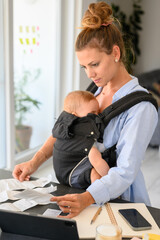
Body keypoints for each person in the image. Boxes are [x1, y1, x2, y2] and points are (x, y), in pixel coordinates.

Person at [13, 1, 158, 219]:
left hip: (118, 206)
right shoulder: (94, 90)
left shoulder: (141, 107)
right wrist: (33, 163)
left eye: (94, 64)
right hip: (77, 193)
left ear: (116, 53)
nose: (89, 74)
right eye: (84, 67)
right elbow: (65, 130)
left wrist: (88, 197)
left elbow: (125, 172)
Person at [52, 90, 110, 188]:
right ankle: (101, 195)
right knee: (95, 172)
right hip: (72, 174)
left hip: (61, 173)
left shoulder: (65, 129)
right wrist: (111, 180)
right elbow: (97, 162)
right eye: (92, 113)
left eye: (97, 112)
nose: (97, 116)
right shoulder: (84, 136)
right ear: (75, 115)